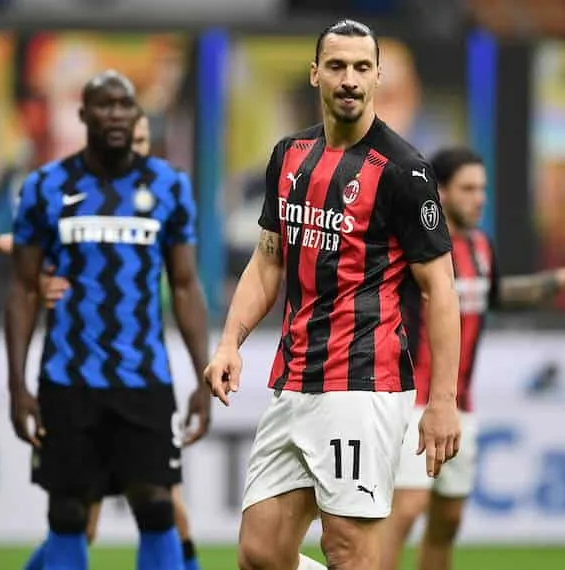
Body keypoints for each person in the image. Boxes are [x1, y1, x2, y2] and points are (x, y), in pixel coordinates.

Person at [204, 19, 462, 570]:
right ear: (315, 73)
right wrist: (230, 342)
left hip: (363, 384)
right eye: (339, 66)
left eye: (362, 68)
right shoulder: (289, 155)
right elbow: (268, 258)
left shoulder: (405, 170)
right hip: (294, 377)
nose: (350, 79)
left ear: (377, 78)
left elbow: (440, 289)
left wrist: (442, 402)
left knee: (348, 548)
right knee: (260, 552)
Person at [6, 70, 211, 570]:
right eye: (104, 105)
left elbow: (185, 285)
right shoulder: (45, 186)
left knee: (158, 505)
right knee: (69, 512)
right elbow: (24, 289)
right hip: (67, 378)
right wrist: (17, 385)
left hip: (142, 376)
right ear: (83, 114)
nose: (116, 114)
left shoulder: (169, 186)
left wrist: (203, 378)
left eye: (126, 105)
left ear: (137, 116)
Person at [380, 146, 565, 570]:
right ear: (441, 193)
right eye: (468, 189)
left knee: (448, 519)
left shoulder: (481, 246)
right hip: (411, 401)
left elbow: (498, 295)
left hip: (460, 404)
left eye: (482, 189)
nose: (479, 198)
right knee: (406, 509)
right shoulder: (413, 244)